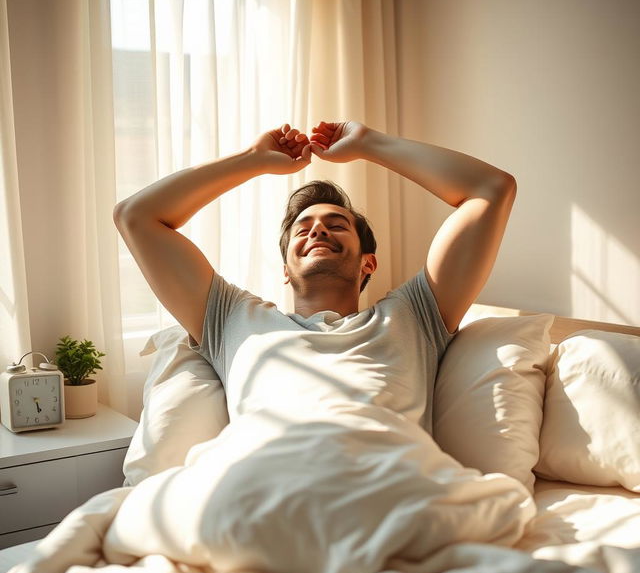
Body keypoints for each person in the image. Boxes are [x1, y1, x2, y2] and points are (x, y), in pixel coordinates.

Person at [113, 121, 516, 436]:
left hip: (388, 492)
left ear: (368, 264)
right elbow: (135, 216)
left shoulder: (414, 316)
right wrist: (252, 158)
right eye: (303, 228)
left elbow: (492, 189)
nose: (318, 231)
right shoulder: (233, 319)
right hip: (268, 501)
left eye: (336, 224)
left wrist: (367, 143)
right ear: (285, 270)